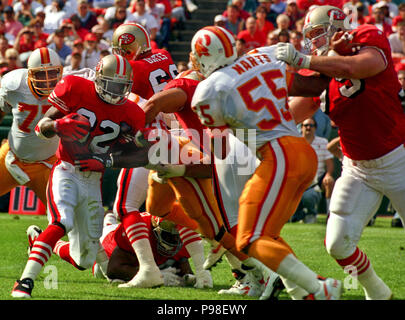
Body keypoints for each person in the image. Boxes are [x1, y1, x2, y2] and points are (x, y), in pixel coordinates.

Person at [189, 25, 342, 300]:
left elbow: (222, 147)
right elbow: (312, 85)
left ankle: (321, 288)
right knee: (265, 234)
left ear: (203, 56)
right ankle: (302, 291)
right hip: (301, 152)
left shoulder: (209, 90)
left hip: (278, 155)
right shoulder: (262, 55)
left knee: (248, 237)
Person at [276, 5, 405, 300]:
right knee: (338, 243)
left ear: (338, 26)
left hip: (399, 158)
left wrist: (303, 59)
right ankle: (377, 291)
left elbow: (353, 68)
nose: (315, 42)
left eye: (319, 33)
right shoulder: (319, 68)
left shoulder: (368, 37)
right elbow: (292, 112)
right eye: (310, 37)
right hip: (358, 167)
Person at [11, 54, 145, 298]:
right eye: (111, 84)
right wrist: (59, 125)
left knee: (83, 259)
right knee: (63, 221)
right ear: (98, 78)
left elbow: (140, 156)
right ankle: (24, 282)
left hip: (93, 180)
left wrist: (107, 160)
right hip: (66, 170)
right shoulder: (74, 86)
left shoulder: (133, 112)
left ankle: (42, 242)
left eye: (121, 86)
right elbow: (43, 127)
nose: (115, 92)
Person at [106, 22, 179, 288]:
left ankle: (148, 268)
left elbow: (110, 91)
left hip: (150, 136)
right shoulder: (164, 54)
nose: (122, 54)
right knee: (182, 207)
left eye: (125, 48)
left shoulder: (135, 68)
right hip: (174, 137)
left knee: (125, 207)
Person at [0, 47, 61, 210]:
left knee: (64, 218)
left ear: (60, 72)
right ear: (30, 73)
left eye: (52, 73)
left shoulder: (67, 88)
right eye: (41, 74)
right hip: (12, 158)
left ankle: (41, 237)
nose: (47, 80)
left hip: (48, 164)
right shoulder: (14, 85)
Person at [93, 212, 212, 288]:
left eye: (178, 235)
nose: (174, 240)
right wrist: (160, 276)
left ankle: (109, 221)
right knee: (90, 264)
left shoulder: (182, 237)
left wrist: (187, 278)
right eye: (168, 236)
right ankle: (108, 223)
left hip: (149, 254)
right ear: (156, 229)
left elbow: (183, 269)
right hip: (107, 241)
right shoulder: (141, 228)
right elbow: (113, 270)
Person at [291, 117, 335, 223]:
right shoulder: (295, 143)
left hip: (316, 181)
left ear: (315, 128)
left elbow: (330, 164)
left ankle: (329, 216)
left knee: (312, 194)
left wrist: (328, 175)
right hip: (297, 181)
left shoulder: (323, 142)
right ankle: (297, 215)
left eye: (311, 126)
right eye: (306, 125)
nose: (308, 128)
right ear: (301, 128)